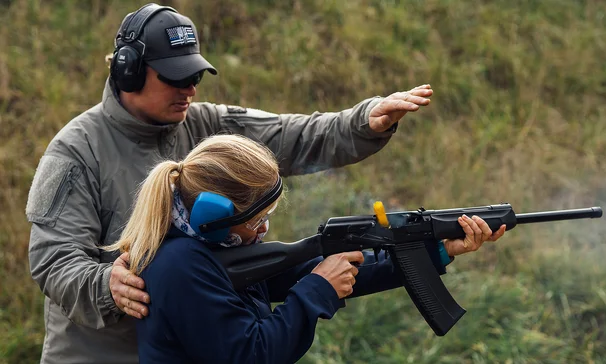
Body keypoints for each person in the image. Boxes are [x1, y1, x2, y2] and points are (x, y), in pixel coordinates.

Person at [24, 2, 441, 363]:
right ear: (128, 71)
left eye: (195, 76)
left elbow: (291, 136)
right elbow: (52, 261)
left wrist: (365, 122)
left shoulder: (207, 123)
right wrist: (106, 286)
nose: (189, 88)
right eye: (175, 76)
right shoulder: (75, 153)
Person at [103, 134, 506, 363]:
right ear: (216, 216)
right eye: (257, 219)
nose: (264, 229)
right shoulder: (180, 266)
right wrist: (317, 288)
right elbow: (253, 354)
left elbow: (330, 268)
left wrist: (438, 251)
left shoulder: (212, 248)